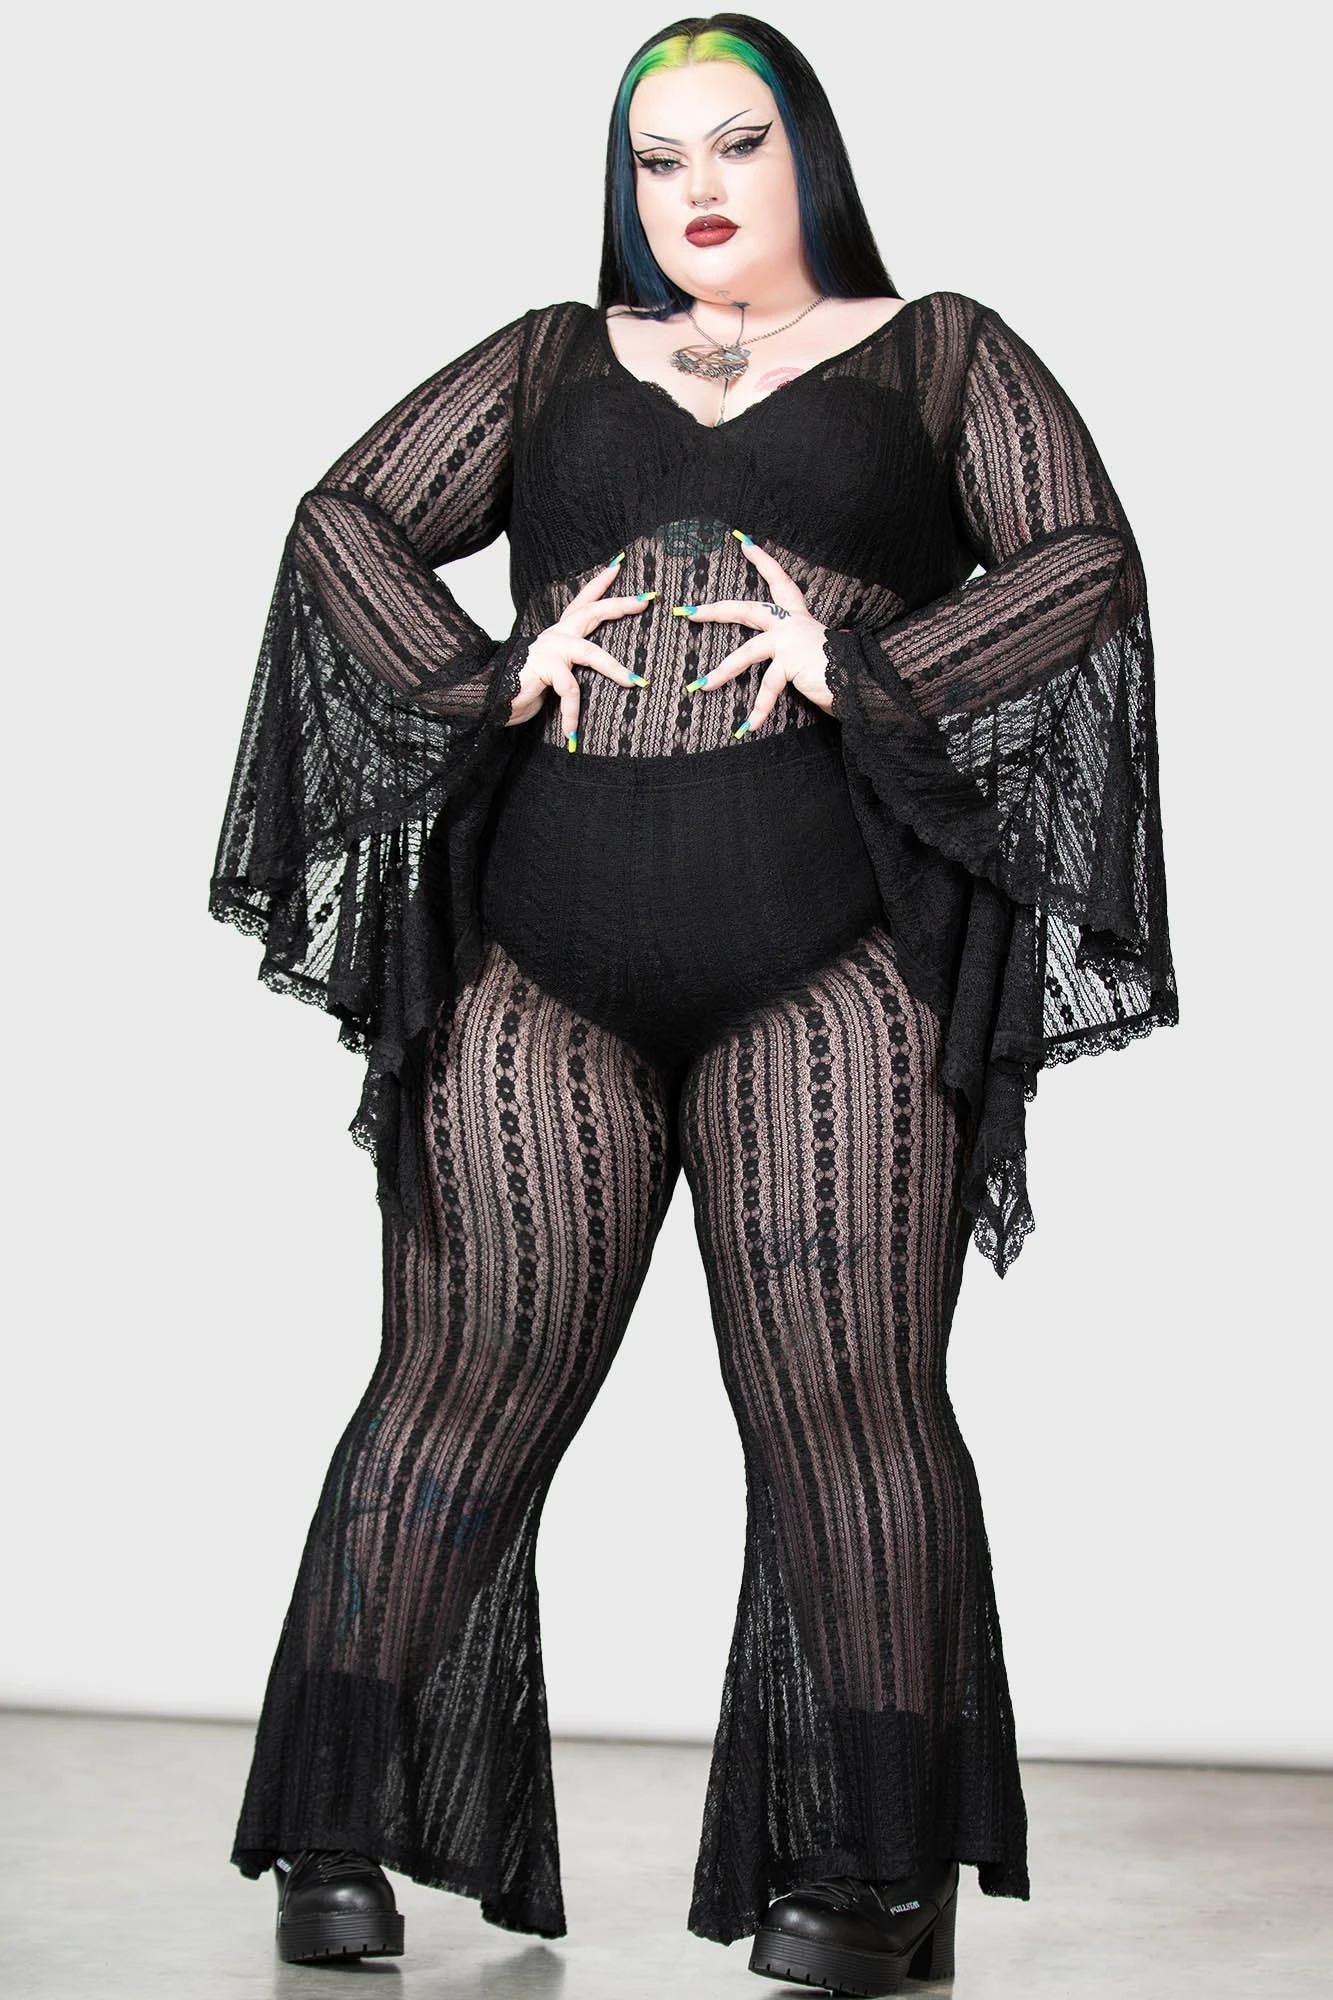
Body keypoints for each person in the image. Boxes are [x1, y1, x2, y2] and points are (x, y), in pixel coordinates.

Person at [209, 12, 1179, 1989]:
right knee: (461, 1383)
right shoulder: (548, 359)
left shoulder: (942, 353)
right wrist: (492, 671)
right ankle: (334, 1829)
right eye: (658, 159)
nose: (699, 188)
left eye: (739, 142)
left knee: (844, 1405)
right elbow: (342, 520)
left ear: (810, 151)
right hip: (541, 954)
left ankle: (878, 1873)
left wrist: (872, 662)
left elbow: (1086, 560)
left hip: (833, 959)